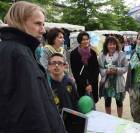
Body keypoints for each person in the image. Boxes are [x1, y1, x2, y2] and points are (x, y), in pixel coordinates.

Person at [0, 1, 66, 133]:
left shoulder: (17, 50)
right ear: (20, 21)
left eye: (43, 24)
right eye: (37, 23)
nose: (43, 30)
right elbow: (32, 112)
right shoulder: (19, 54)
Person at [98, 36, 128, 117]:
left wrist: (117, 70)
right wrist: (106, 71)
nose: (112, 46)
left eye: (114, 44)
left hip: (118, 83)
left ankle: (120, 118)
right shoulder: (102, 56)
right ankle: (109, 118)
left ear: (116, 45)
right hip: (107, 83)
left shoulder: (121, 54)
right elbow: (100, 68)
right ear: (106, 45)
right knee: (107, 102)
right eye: (110, 44)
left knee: (119, 102)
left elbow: (125, 68)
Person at [70, 31, 99, 103]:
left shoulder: (93, 52)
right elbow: (75, 72)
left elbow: (96, 69)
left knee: (93, 103)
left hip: (92, 83)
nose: (86, 41)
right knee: (82, 104)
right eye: (83, 39)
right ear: (80, 41)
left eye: (87, 39)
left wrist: (90, 84)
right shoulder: (74, 54)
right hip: (81, 83)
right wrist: (85, 85)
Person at [126, 30, 140, 124]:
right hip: (134, 84)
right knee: (134, 109)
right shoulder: (133, 52)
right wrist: (127, 85)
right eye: (139, 38)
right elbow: (129, 69)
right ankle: (137, 124)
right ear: (137, 40)